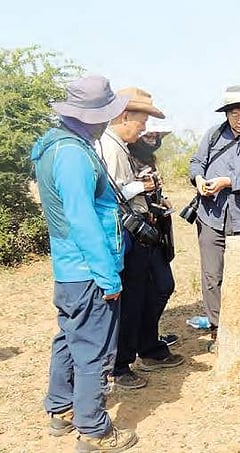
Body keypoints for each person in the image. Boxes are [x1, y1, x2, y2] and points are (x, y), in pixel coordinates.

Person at [31, 75, 137, 451]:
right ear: (91, 116)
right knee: (94, 348)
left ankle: (61, 408)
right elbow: (82, 219)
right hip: (88, 268)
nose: (109, 120)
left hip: (68, 270)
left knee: (69, 338)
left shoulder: (54, 145)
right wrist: (107, 276)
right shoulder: (74, 155)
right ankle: (94, 430)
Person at [99, 87, 184, 390]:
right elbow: (110, 196)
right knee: (131, 299)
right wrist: (141, 187)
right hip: (128, 231)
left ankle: (146, 347)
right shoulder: (110, 148)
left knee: (154, 289)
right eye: (142, 122)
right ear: (124, 116)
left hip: (144, 231)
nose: (145, 129)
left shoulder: (121, 146)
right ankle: (121, 365)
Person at [188, 86, 240, 352]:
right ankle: (217, 331)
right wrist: (199, 179)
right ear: (227, 114)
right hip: (211, 215)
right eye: (234, 114)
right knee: (212, 275)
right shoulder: (213, 135)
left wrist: (228, 182)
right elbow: (196, 163)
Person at [126, 119, 179, 348]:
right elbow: (114, 192)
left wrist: (160, 198)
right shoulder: (124, 157)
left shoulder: (148, 159)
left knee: (161, 286)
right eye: (148, 135)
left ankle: (147, 338)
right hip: (136, 232)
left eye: (155, 137)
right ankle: (144, 342)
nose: (153, 140)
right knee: (147, 290)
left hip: (154, 231)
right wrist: (142, 187)